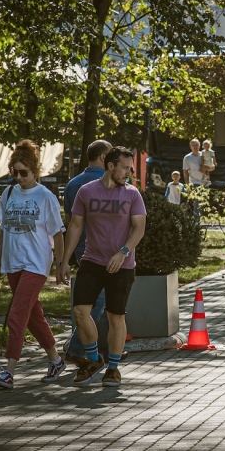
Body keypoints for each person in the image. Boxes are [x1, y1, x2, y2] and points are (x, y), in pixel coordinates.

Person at [58, 146, 147, 387]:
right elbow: (75, 226)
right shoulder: (87, 192)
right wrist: (64, 261)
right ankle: (95, 359)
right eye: (126, 168)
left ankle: (113, 368)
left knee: (115, 316)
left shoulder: (132, 194)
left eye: (130, 168)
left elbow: (139, 228)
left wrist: (123, 252)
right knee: (80, 312)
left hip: (123, 264)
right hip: (92, 261)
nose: (129, 173)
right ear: (110, 165)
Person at [0, 139, 66, 389]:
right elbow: (3, 231)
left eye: (24, 172)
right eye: (15, 172)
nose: (19, 177)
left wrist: (59, 264)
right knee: (33, 316)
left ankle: (9, 370)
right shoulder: (8, 193)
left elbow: (58, 233)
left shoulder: (45, 196)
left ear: (35, 171)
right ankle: (55, 360)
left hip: (36, 263)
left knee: (17, 314)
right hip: (13, 263)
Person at [62, 140, 112, 369]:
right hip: (103, 250)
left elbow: (71, 222)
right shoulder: (108, 182)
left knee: (96, 301)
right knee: (97, 303)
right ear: (103, 158)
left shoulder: (72, 185)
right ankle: (75, 349)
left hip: (82, 249)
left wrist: (66, 256)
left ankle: (102, 348)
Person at [183, 138, 205, 224]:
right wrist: (187, 184)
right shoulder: (187, 158)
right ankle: (196, 221)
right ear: (190, 146)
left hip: (204, 182)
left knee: (202, 202)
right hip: (194, 182)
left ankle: (200, 220)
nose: (195, 146)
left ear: (199, 146)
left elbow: (211, 166)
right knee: (197, 201)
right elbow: (185, 172)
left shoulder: (203, 155)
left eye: (197, 145)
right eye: (193, 145)